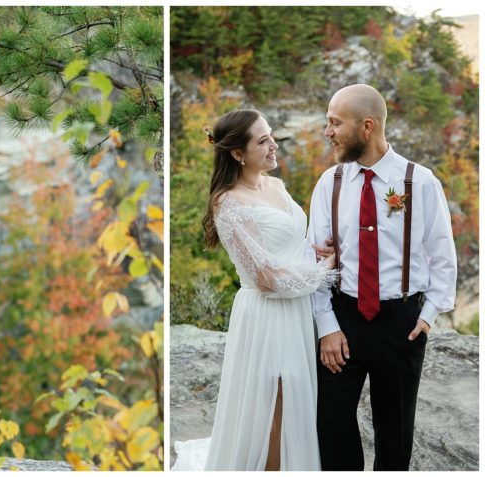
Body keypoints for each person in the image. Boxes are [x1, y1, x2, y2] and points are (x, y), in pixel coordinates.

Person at [173, 109, 336, 471]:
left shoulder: (276, 185)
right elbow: (266, 278)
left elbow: (291, 245)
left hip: (297, 313)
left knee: (295, 404)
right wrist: (325, 271)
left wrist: (316, 253)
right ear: (238, 153)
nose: (274, 144)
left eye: (272, 136)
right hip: (266, 314)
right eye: (263, 140)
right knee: (277, 402)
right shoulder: (228, 203)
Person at [308, 84, 457, 471]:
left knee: (395, 433)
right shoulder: (330, 184)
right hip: (343, 321)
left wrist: (426, 318)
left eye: (335, 123)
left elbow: (442, 256)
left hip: (401, 324)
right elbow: (314, 261)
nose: (328, 132)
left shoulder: (419, 182)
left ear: (367, 126)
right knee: (332, 425)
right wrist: (326, 325)